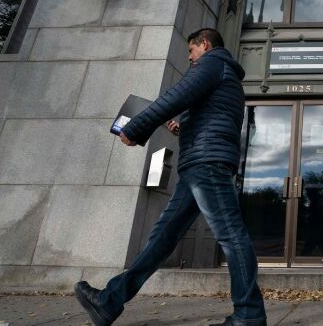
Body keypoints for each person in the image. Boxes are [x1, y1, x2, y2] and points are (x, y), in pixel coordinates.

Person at [73, 28, 266, 326]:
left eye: (191, 51)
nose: (189, 58)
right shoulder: (222, 74)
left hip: (207, 164)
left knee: (231, 236)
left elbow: (177, 96)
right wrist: (182, 125)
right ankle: (109, 302)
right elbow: (208, 113)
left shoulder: (213, 63)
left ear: (204, 44)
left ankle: (250, 316)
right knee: (161, 239)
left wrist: (136, 128)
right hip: (199, 165)